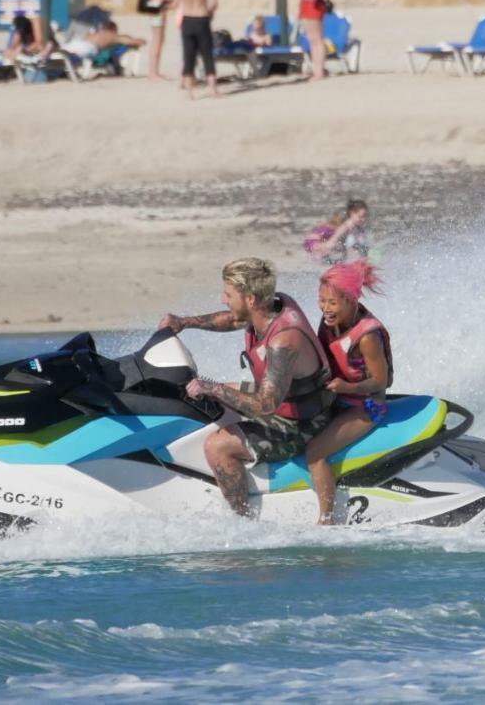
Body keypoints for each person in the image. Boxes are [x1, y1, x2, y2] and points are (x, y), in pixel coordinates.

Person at [159, 259, 333, 517]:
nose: (223, 299)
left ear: (250, 299)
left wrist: (214, 388)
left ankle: (241, 518)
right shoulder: (269, 305)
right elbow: (233, 320)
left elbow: (265, 405)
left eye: (228, 294)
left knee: (217, 446)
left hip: (303, 420)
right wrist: (185, 322)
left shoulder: (283, 342)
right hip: (284, 394)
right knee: (198, 398)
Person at [306, 260, 393, 525]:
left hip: (367, 406)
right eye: (322, 301)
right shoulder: (329, 321)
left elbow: (382, 381)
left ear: (351, 300)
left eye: (332, 303)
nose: (325, 309)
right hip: (336, 397)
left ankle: (326, 519)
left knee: (314, 452)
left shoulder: (367, 336)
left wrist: (347, 387)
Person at [169, 0, 219, 100]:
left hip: (188, 19)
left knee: (188, 54)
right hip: (202, 17)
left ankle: (190, 92)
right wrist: (209, 13)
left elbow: (175, 3)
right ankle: (213, 89)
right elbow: (214, 1)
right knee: (207, 55)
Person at [304, 200, 370, 264]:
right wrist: (331, 242)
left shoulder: (357, 228)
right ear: (351, 213)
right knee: (323, 251)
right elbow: (344, 227)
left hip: (319, 240)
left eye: (365, 216)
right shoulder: (349, 222)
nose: (363, 219)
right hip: (314, 241)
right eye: (360, 216)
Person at [60, 21, 145, 59]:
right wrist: (140, 41)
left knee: (60, 53)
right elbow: (137, 42)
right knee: (64, 56)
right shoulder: (115, 36)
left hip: (76, 42)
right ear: (114, 29)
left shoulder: (97, 32)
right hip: (88, 47)